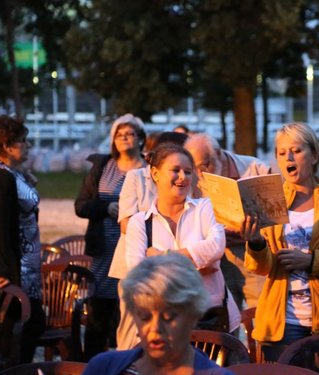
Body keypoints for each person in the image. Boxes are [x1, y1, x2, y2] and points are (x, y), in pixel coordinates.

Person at [241, 122, 319, 362]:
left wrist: (312, 261)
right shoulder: (269, 200)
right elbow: (262, 267)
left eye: (297, 150)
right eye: (281, 152)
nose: (288, 157)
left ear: (314, 156)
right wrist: (256, 243)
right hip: (283, 324)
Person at [70, 253, 243, 375]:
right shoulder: (101, 369)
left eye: (168, 317)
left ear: (193, 315)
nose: (155, 327)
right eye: (144, 317)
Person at [125, 143, 240, 337]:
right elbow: (138, 275)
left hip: (212, 318)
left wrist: (162, 258)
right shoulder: (140, 222)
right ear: (155, 174)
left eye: (188, 172)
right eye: (175, 170)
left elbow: (216, 247)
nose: (182, 177)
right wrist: (198, 264)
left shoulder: (204, 208)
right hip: (163, 323)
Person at [75, 113, 146, 360]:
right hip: (104, 251)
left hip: (136, 252)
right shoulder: (103, 167)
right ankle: (92, 369)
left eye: (130, 134)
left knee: (128, 312)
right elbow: (81, 205)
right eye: (119, 134)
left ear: (140, 139)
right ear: (112, 140)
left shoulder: (150, 169)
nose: (124, 138)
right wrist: (106, 208)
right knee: (98, 314)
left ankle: (126, 367)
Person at [110, 132, 190, 350]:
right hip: (135, 263)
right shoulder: (136, 178)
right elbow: (126, 221)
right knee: (131, 329)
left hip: (171, 272)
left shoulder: (187, 179)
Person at [185, 133, 271, 310]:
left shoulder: (255, 167)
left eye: (205, 164)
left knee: (263, 309)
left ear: (218, 153)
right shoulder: (194, 177)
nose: (200, 173)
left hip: (254, 250)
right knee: (225, 314)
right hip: (219, 256)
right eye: (194, 167)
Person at [0, 115, 46, 363]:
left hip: (28, 265)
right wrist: (3, 271)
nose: (27, 146)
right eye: (22, 141)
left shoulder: (11, 173)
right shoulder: (0, 176)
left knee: (30, 324)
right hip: (17, 269)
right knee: (26, 324)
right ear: (5, 146)